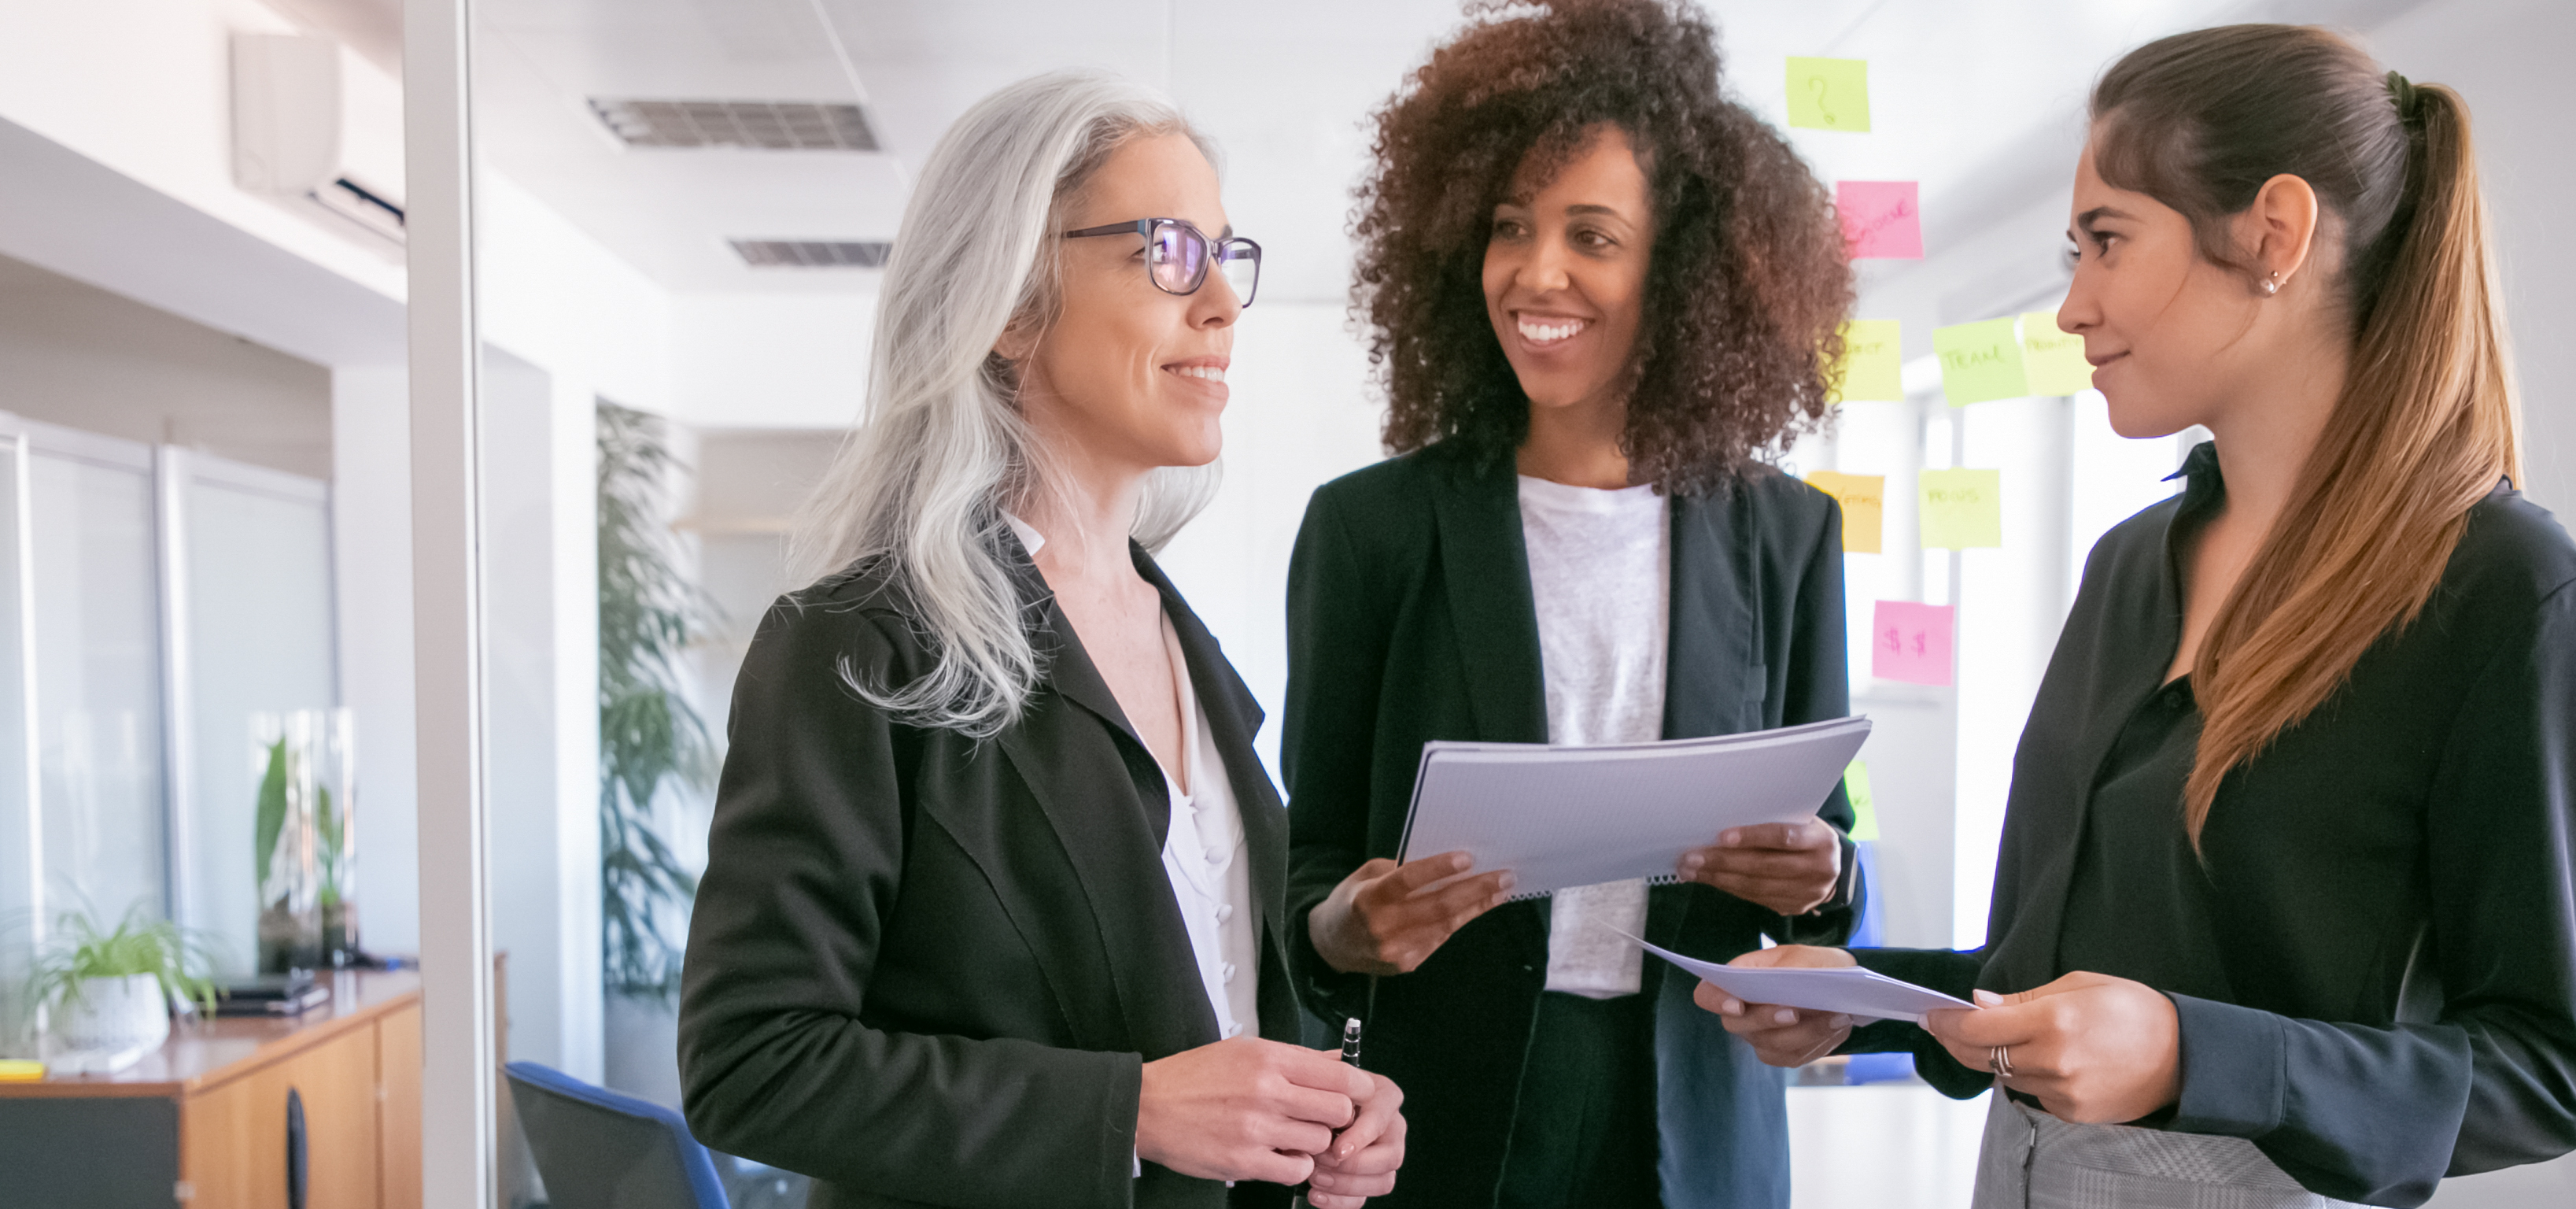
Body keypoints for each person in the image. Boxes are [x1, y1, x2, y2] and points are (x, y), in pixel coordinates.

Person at [1699, 24, 2576, 1209]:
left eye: (2105, 242)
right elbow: (2046, 974)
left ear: (2273, 236)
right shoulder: (2129, 566)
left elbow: (2545, 1070)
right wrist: (1859, 999)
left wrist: (2192, 1055)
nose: (2069, 308)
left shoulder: (2516, 601)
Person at [676, 70, 1405, 1209]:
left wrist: (1322, 1106)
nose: (1220, 302)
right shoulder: (855, 643)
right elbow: (750, 1063)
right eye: (1167, 251)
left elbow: (1212, 992)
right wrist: (1133, 1113)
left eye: (1226, 254)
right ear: (1011, 304)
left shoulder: (1185, 640)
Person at [1281, 2, 1862, 1206]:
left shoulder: (1788, 533)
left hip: (1694, 1117)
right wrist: (1345, 929)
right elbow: (1308, 870)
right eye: (1507, 228)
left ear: (1683, 266)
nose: (1533, 273)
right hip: (1438, 1112)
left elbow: (1826, 854)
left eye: (1590, 235)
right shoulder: (1371, 529)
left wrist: (1826, 877)